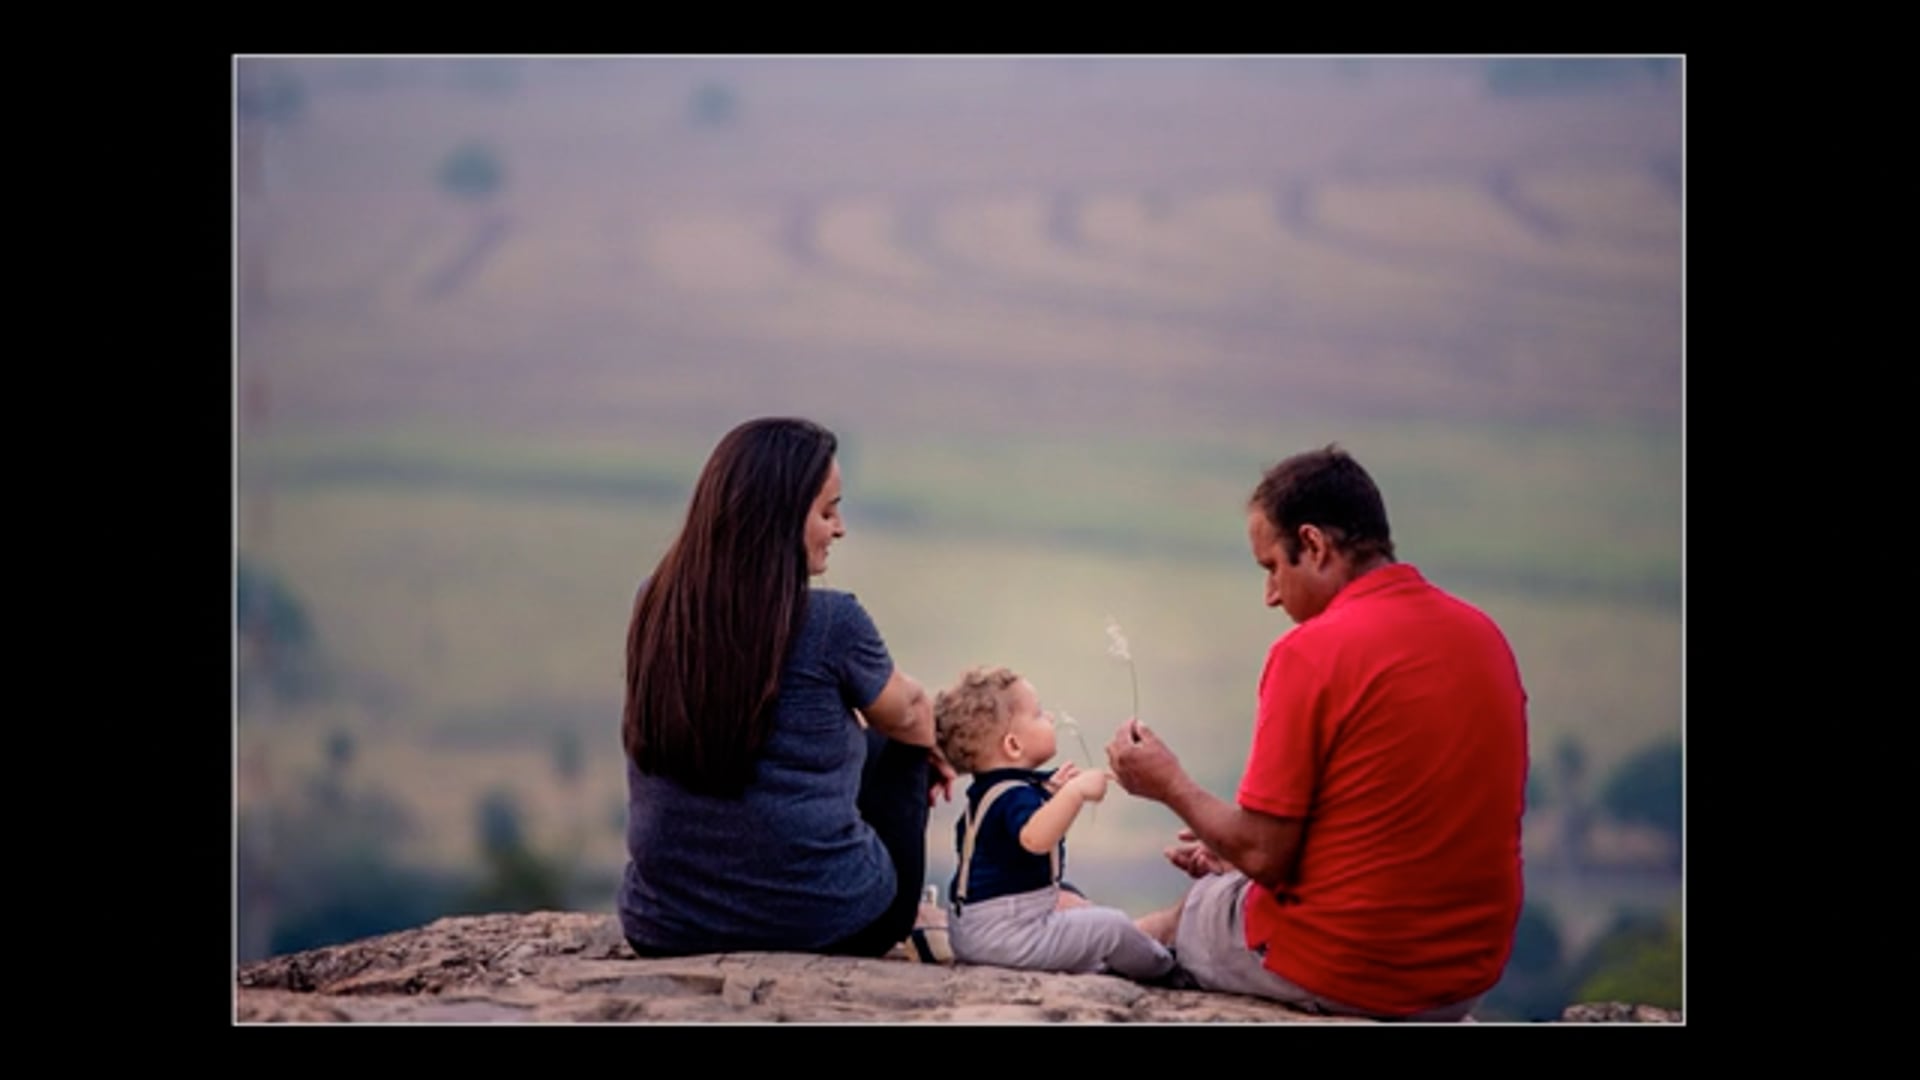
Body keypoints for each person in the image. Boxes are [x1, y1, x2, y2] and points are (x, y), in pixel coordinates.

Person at [1104, 444, 1528, 1021]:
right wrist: (1237, 852)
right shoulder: (1483, 636)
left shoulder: (1312, 651)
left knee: (1193, 913)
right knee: (1230, 888)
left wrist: (1168, 784)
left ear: (1313, 545)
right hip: (1461, 979)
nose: (1271, 596)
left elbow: (1264, 853)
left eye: (1272, 568)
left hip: (1347, 969)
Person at [617, 417, 954, 958]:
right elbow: (911, 713)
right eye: (827, 512)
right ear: (777, 518)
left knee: (850, 737)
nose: (840, 529)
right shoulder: (832, 622)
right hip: (837, 925)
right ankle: (889, 900)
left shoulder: (656, 604)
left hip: (665, 927)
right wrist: (916, 747)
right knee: (898, 742)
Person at [933, 666, 1175, 980]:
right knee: (1111, 927)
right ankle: (1167, 968)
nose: (1049, 717)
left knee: (1074, 903)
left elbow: (1013, 836)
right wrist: (1075, 794)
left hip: (975, 929)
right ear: (1013, 745)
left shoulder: (991, 792)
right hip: (1005, 935)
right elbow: (1034, 839)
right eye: (1038, 714)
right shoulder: (1013, 797)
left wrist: (1049, 794)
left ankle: (1104, 958)